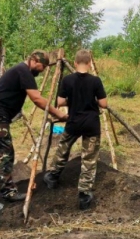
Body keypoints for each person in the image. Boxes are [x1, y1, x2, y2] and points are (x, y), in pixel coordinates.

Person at [0, 50, 68, 202]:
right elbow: (37, 99)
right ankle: (8, 192)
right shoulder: (23, 71)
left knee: (5, 151)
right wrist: (58, 114)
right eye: (40, 67)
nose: (41, 71)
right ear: (33, 60)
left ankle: (7, 188)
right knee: (5, 152)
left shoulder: (21, 71)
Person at [43, 49, 107, 210]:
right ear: (90, 63)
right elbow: (104, 104)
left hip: (73, 122)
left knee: (63, 149)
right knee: (89, 159)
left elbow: (60, 101)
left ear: (75, 63)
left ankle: (53, 176)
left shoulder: (67, 80)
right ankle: (84, 195)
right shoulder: (96, 81)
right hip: (91, 124)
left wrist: (72, 99)